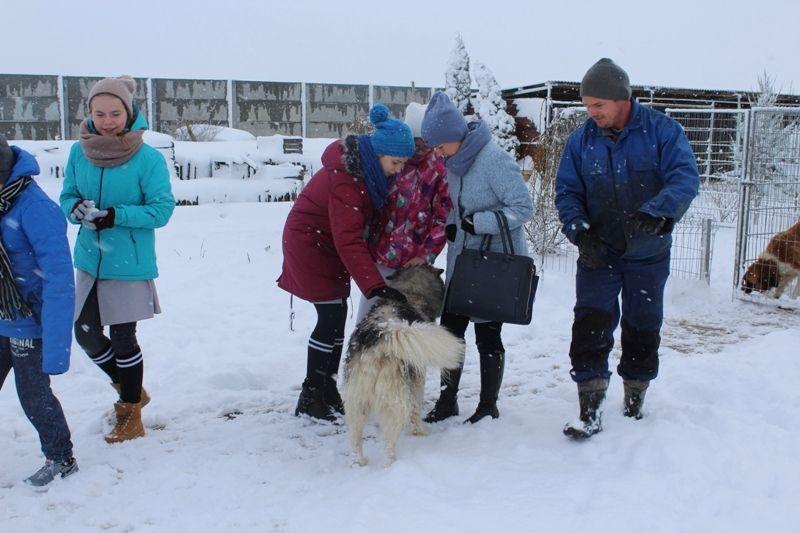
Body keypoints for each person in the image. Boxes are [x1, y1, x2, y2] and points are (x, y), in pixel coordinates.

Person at [555, 58, 699, 439]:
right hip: (597, 252)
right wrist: (579, 233)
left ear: (621, 99)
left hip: (646, 252)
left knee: (642, 324)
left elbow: (684, 178)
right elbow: (567, 191)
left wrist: (659, 212)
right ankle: (590, 410)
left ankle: (635, 396)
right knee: (590, 326)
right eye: (587, 106)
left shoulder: (662, 132)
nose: (592, 113)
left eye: (597, 105)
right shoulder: (582, 140)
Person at [278, 104, 415, 422]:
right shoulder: (348, 179)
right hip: (311, 244)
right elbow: (348, 238)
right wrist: (375, 286)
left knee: (337, 315)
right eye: (395, 162)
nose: (397, 170)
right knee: (330, 317)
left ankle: (326, 389)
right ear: (379, 153)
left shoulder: (364, 172)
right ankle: (312, 394)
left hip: (326, 244)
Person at [60, 76, 175, 444]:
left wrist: (116, 215)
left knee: (124, 339)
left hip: (128, 262)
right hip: (89, 260)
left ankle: (130, 413)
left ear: (129, 112)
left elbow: (161, 210)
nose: (107, 120)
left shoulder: (147, 158)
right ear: (89, 114)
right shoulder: (80, 152)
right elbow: (67, 195)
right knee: (86, 333)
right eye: (99, 113)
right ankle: (131, 387)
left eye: (115, 113)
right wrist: (74, 208)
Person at [421, 92, 533, 424]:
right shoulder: (454, 163)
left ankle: (487, 405)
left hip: (493, 266)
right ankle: (447, 401)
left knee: (488, 335)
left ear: (454, 136)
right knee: (450, 332)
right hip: (463, 261)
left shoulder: (493, 160)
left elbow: (523, 208)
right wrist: (454, 227)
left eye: (440, 146)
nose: (438, 154)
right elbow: (458, 208)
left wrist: (478, 223)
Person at [0, 135, 78, 487]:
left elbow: (60, 281)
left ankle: (61, 457)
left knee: (33, 392)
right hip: (2, 314)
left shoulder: (35, 208)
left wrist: (57, 348)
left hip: (28, 320)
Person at [354, 102, 452, 323]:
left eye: (427, 143)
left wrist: (425, 255)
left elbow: (443, 217)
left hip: (414, 263)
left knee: (413, 322)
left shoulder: (439, 168)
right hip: (380, 254)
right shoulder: (392, 160)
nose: (422, 149)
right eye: (417, 143)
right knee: (370, 320)